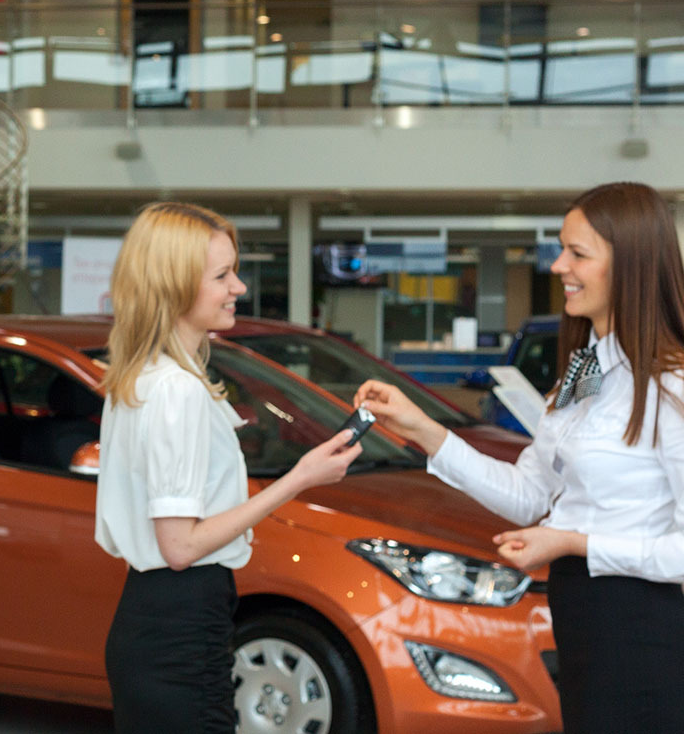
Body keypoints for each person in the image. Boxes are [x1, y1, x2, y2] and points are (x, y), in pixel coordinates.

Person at [354, 182, 684, 734]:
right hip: (583, 621)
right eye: (562, 249)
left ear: (631, 266)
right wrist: (425, 431)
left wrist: (575, 543)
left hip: (644, 629)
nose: (558, 266)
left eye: (578, 254)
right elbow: (529, 493)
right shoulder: (584, 371)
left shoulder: (672, 384)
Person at [94, 201, 361, 733]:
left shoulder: (146, 377)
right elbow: (180, 546)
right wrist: (300, 478)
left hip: (159, 621)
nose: (238, 287)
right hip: (181, 626)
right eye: (222, 275)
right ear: (174, 285)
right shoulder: (176, 391)